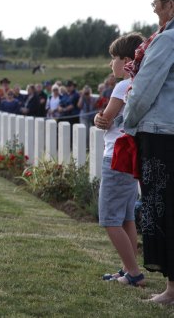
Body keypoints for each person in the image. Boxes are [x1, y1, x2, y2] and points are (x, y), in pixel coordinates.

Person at [123, 0, 174, 304]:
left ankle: (173, 290)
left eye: (156, 5)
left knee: (164, 209)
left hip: (162, 136)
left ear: (170, 5)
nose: (155, 12)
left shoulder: (167, 40)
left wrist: (127, 123)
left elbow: (144, 91)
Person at [94, 32, 145, 288]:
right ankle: (128, 268)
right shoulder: (139, 83)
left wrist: (98, 118)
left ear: (126, 60)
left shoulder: (122, 85)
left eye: (113, 58)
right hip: (129, 157)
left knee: (108, 219)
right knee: (126, 217)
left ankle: (134, 272)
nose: (110, 64)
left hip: (115, 155)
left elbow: (106, 119)